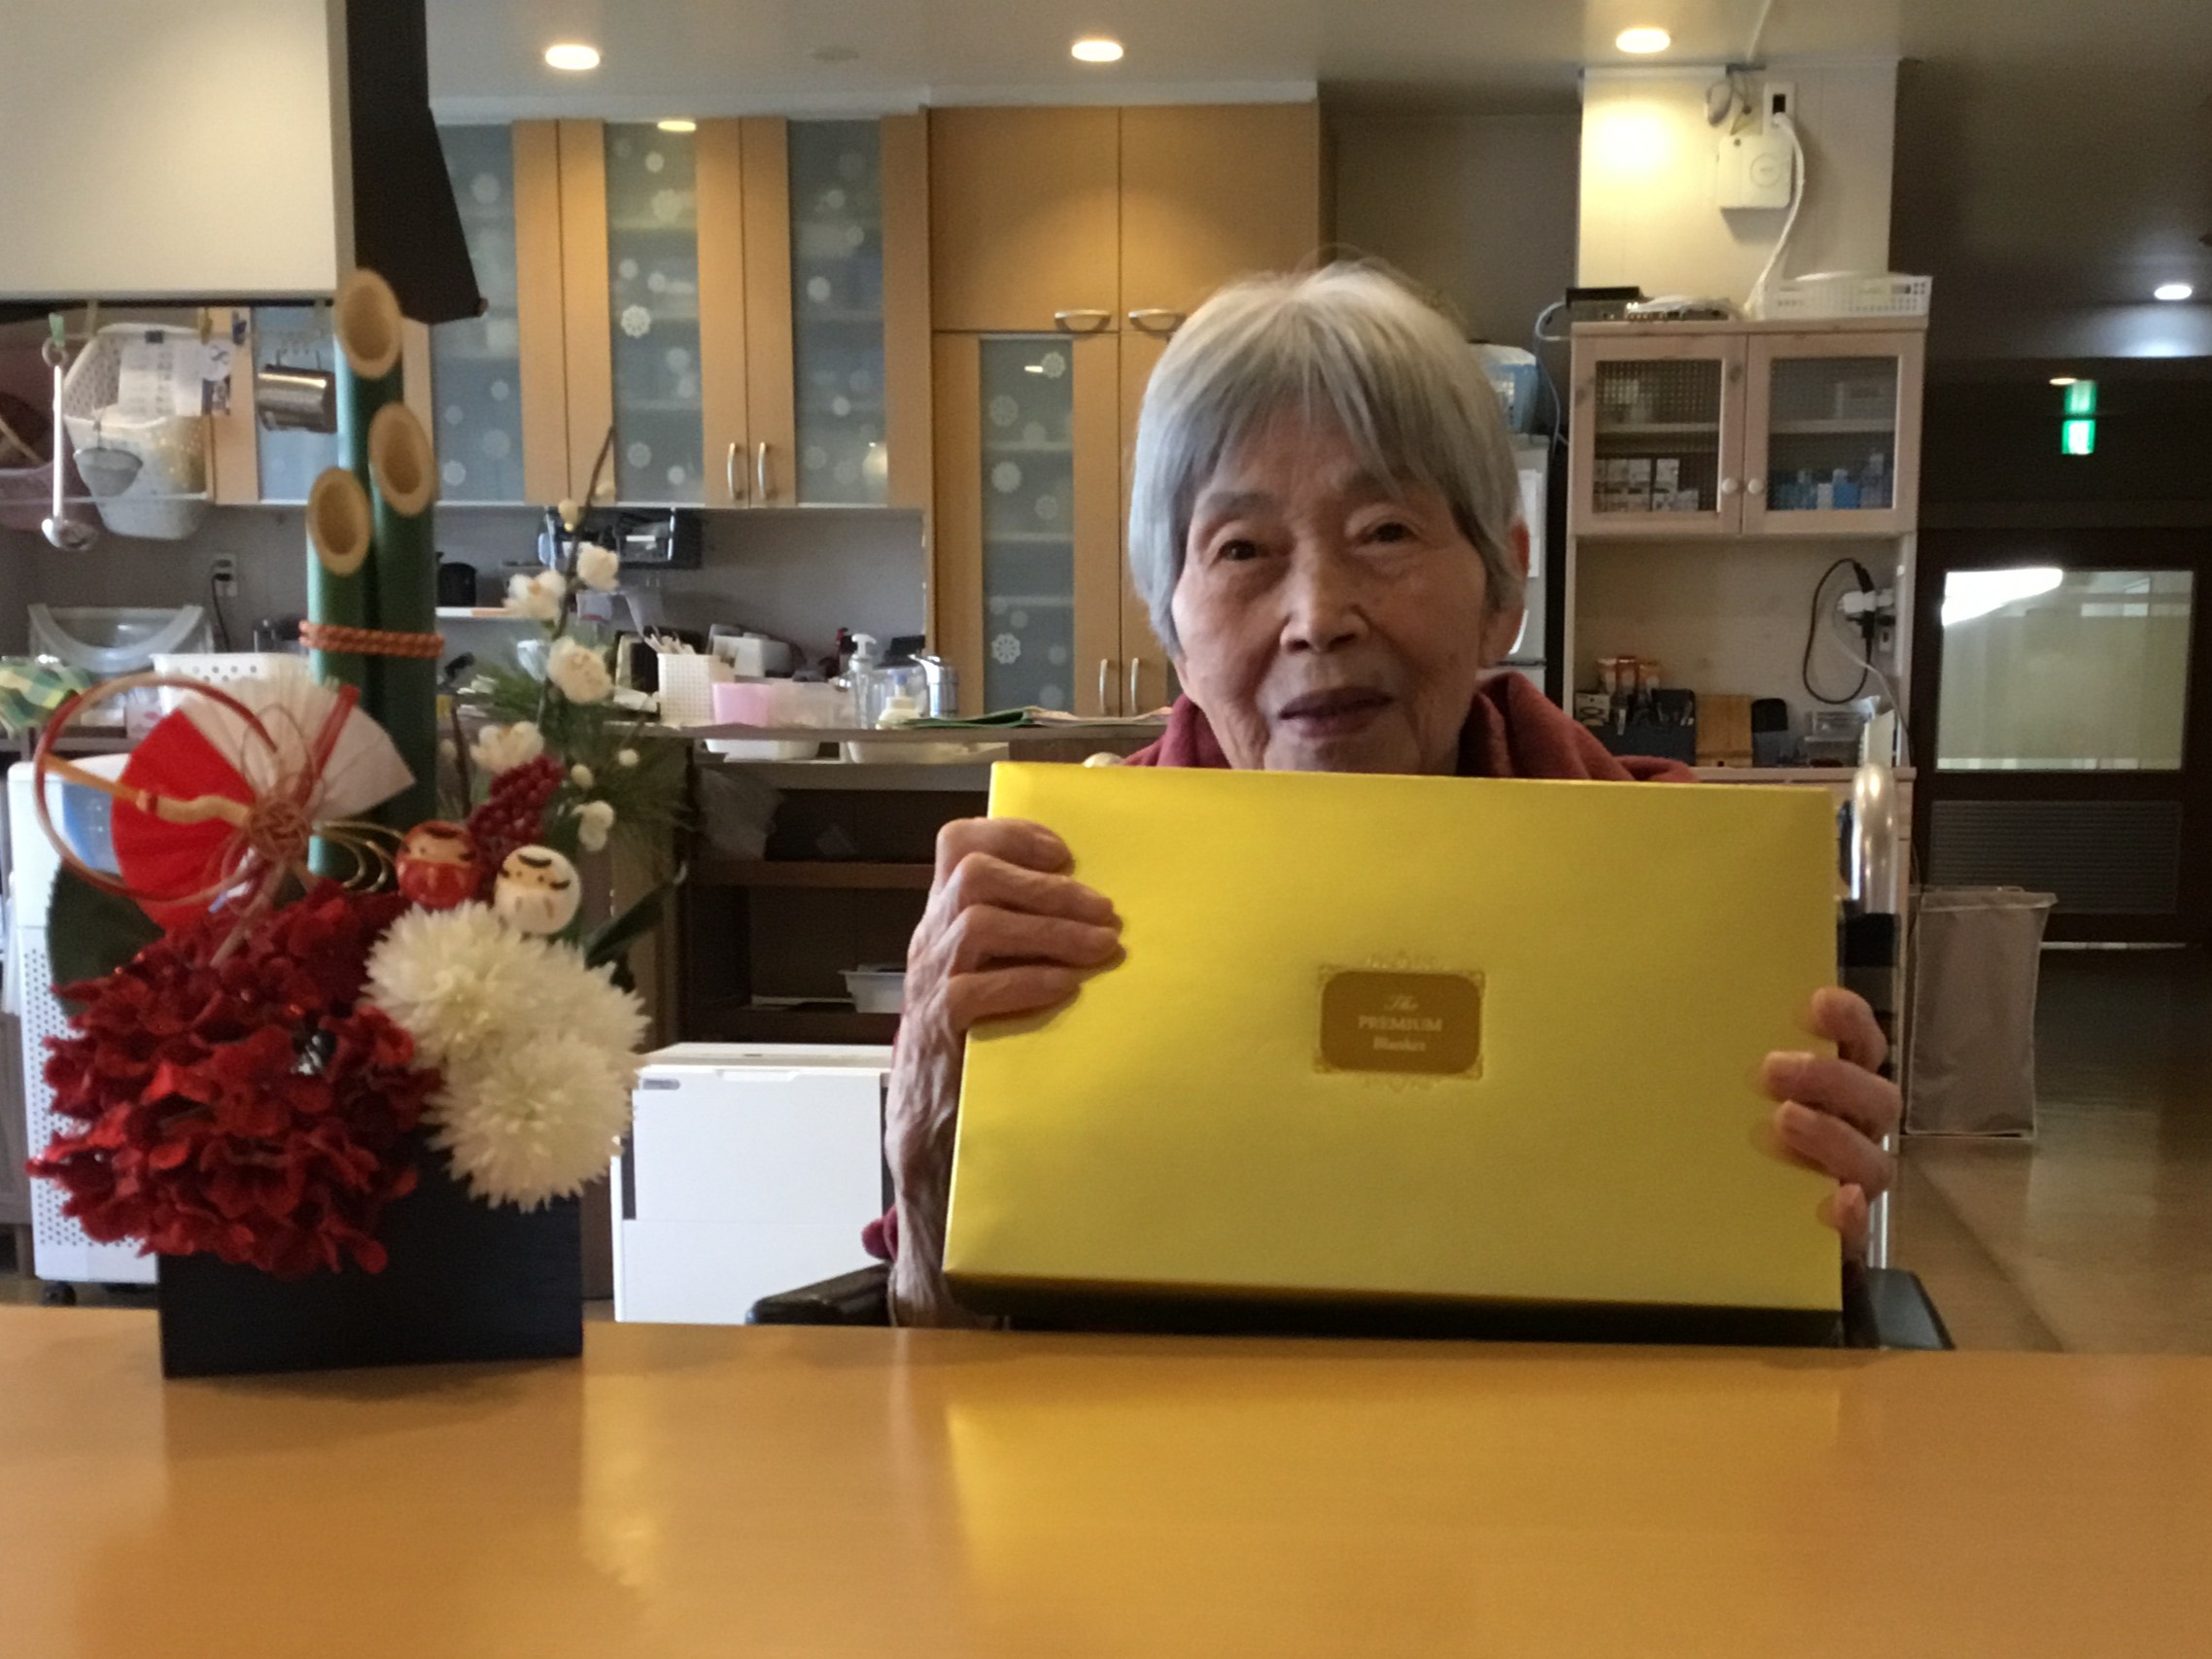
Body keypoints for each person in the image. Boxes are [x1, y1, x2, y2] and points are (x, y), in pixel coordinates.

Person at [875, 263, 1900, 1327]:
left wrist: (1802, 1222)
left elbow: (1765, 1347)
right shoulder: (1040, 896)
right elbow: (938, 1360)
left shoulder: (1688, 879)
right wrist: (928, 1159)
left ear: (1502, 587)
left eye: (1384, 532)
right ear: (1173, 630)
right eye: (1241, 549)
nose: (1319, 615)